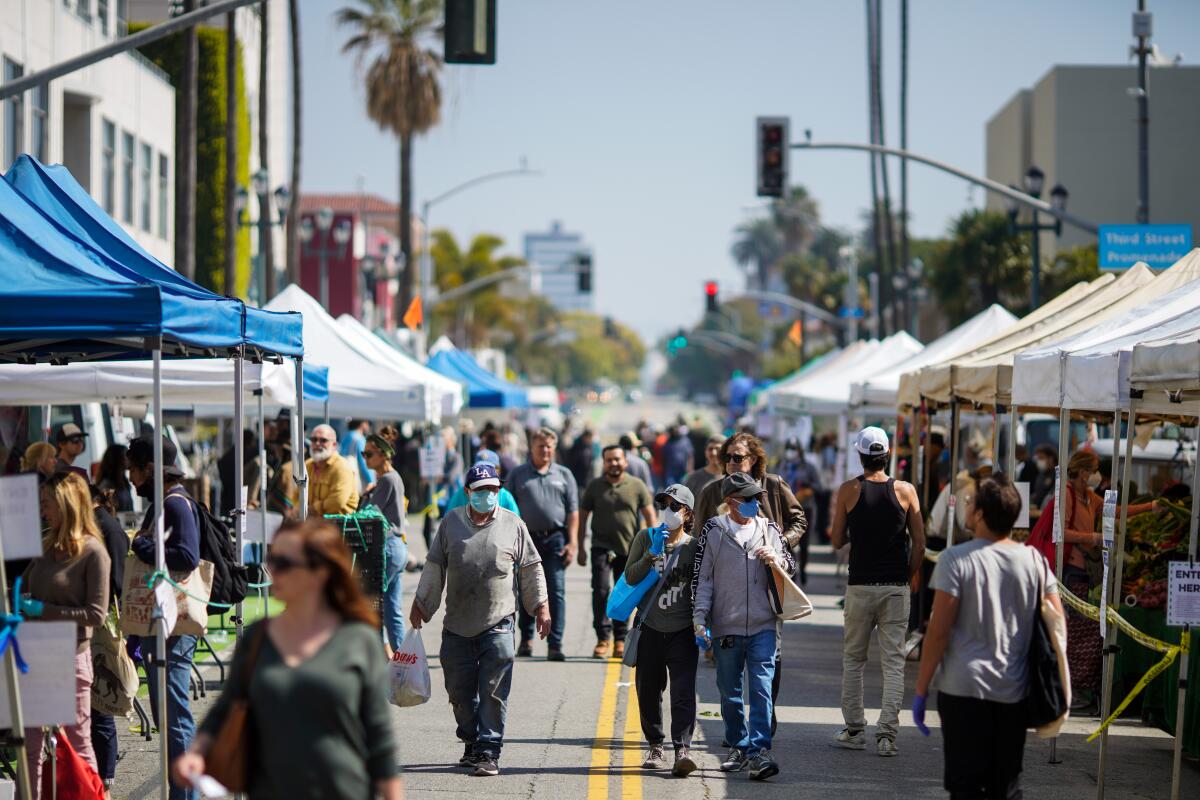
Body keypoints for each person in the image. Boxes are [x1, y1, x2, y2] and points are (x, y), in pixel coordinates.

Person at [173, 520, 403, 800]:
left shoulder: (358, 640)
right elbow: (225, 708)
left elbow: (379, 740)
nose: (272, 570)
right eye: (272, 559)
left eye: (284, 562)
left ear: (318, 573)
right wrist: (197, 753)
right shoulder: (258, 637)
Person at [912, 475, 1064, 799]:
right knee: (1005, 785)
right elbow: (1057, 623)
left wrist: (922, 689)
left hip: (962, 688)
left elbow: (938, 632)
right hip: (1013, 690)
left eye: (970, 502)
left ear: (980, 514)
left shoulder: (956, 559)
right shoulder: (1034, 560)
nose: (967, 505)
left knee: (964, 786)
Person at [411, 464, 551, 777]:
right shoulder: (451, 523)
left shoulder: (512, 524)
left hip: (499, 620)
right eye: (481, 490)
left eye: (492, 489)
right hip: (458, 623)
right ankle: (471, 740)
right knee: (459, 693)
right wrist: (422, 603)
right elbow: (435, 565)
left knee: (493, 689)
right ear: (468, 492)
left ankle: (489, 750)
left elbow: (531, 566)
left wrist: (540, 605)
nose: (487, 495)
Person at [694, 432, 807, 729]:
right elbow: (699, 539)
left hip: (768, 584)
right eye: (727, 457)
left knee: (771, 653)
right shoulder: (712, 490)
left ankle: (764, 718)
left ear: (754, 459)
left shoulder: (774, 485)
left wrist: (780, 544)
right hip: (727, 591)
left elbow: (799, 520)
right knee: (729, 669)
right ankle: (736, 730)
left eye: (738, 457)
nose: (731, 462)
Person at [692, 472, 796, 781]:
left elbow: (790, 566)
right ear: (730, 502)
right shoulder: (714, 531)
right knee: (730, 691)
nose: (754, 503)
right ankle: (738, 745)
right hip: (726, 626)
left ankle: (760, 750)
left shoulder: (769, 529)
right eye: (748, 499)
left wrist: (775, 558)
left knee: (762, 689)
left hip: (764, 625)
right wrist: (699, 618)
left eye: (756, 498)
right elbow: (703, 578)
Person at [829, 426, 925, 757]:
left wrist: (861, 533)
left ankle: (855, 728)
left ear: (860, 455)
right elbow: (920, 543)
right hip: (895, 586)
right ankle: (887, 735)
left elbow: (837, 539)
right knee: (893, 662)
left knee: (854, 659)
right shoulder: (906, 491)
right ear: (888, 455)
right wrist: (906, 575)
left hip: (859, 585)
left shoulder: (848, 490)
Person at [21, 471, 111, 797]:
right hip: (35, 657)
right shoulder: (46, 547)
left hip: (70, 658)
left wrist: (41, 610)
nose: (43, 510)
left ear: (66, 503)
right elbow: (23, 589)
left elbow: (96, 615)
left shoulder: (93, 552)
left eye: (47, 503)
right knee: (28, 746)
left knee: (77, 741)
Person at [1045, 449, 1153, 714]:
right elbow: (1061, 533)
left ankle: (1074, 690)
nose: (1096, 475)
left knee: (1088, 632)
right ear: (1082, 472)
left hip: (1087, 574)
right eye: (1092, 469)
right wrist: (1092, 538)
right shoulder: (1068, 495)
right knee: (1083, 633)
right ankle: (1071, 690)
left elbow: (1115, 512)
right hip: (1071, 574)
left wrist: (1151, 507)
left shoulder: (1089, 497)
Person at [126, 433, 202, 800]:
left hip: (173, 623)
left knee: (174, 715)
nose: (129, 478)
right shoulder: (167, 502)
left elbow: (186, 555)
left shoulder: (174, 504)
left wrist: (139, 544)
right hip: (161, 622)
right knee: (168, 713)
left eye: (134, 470)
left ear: (151, 469)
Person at [623, 484, 701, 777]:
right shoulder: (646, 537)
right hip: (649, 627)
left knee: (683, 691)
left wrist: (702, 624)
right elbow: (630, 576)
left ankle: (683, 749)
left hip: (682, 630)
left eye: (674, 506)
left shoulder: (694, 547)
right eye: (664, 504)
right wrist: (650, 556)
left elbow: (704, 586)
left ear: (688, 513)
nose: (668, 511)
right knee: (648, 690)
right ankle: (656, 745)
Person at [506, 428, 578, 661]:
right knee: (526, 590)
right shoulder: (518, 474)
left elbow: (573, 512)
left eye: (549, 446)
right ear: (532, 448)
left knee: (555, 592)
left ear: (554, 448)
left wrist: (573, 542)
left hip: (555, 539)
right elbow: (507, 508)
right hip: (526, 540)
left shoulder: (564, 475)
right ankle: (526, 640)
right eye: (540, 446)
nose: (545, 450)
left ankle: (555, 644)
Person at [579, 445, 656, 659]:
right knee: (601, 591)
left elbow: (650, 516)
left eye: (617, 459)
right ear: (604, 463)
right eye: (609, 460)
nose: (613, 463)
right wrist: (579, 548)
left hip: (629, 549)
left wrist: (654, 546)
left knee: (623, 594)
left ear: (625, 461)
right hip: (600, 547)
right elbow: (583, 516)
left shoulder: (636, 485)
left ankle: (620, 639)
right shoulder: (594, 486)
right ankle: (603, 638)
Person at [89, 483, 127, 795]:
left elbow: (116, 582)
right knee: (96, 704)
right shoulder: (101, 526)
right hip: (99, 624)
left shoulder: (107, 528)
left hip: (103, 625)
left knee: (102, 703)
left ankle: (106, 777)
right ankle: (100, 776)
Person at [360, 433, 409, 657]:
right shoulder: (392, 478)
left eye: (368, 454)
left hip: (388, 547)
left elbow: (368, 514)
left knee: (373, 604)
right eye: (363, 454)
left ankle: (383, 654)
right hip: (396, 547)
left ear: (382, 455)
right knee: (392, 609)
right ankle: (401, 658)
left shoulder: (388, 479)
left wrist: (365, 496)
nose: (365, 458)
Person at [780, 439, 822, 586]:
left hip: (805, 508)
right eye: (789, 447)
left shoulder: (809, 467)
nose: (791, 451)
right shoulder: (781, 465)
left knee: (803, 543)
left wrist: (808, 489)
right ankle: (793, 570)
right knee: (788, 540)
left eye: (794, 448)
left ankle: (803, 568)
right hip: (785, 510)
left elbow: (819, 486)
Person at [306, 424, 359, 517]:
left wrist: (313, 509)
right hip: (313, 523)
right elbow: (297, 494)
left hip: (338, 525)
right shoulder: (307, 465)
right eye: (314, 440)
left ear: (334, 444)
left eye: (323, 440)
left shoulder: (342, 467)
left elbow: (338, 501)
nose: (317, 444)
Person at [446, 451, 520, 514]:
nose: (484, 472)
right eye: (480, 468)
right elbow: (448, 522)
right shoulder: (461, 494)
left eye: (489, 469)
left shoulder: (505, 496)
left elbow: (516, 523)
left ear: (498, 471)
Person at [218, 430, 261, 516]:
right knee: (238, 522)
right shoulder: (249, 457)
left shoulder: (227, 456)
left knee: (230, 521)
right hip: (241, 499)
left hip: (228, 500)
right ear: (249, 441)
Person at [682, 435, 724, 502]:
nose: (714, 453)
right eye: (710, 449)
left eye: (718, 449)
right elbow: (684, 506)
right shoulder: (693, 478)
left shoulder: (730, 478)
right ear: (705, 452)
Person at [97, 444, 134, 513]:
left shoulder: (124, 482)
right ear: (118, 459)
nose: (129, 458)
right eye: (126, 455)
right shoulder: (107, 485)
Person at [340, 418, 375, 492]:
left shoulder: (345, 437)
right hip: (357, 484)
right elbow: (365, 462)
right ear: (362, 423)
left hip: (343, 480)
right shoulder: (359, 439)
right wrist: (372, 481)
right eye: (368, 423)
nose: (368, 426)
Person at [1029, 444, 1059, 514]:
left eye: (1041, 458)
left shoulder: (1057, 474)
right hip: (1037, 512)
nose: (1039, 461)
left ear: (1051, 458)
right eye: (1038, 459)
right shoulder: (1041, 474)